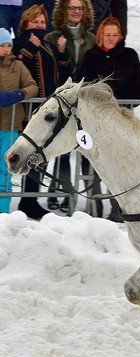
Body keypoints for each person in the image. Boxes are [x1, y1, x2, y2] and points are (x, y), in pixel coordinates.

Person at [81, 16, 140, 221]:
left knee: (117, 165)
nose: (111, 38)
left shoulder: (129, 55)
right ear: (100, 35)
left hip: (120, 121)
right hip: (94, 120)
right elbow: (81, 85)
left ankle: (117, 207)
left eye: (114, 35)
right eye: (107, 34)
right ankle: (94, 205)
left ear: (120, 36)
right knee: (91, 162)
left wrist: (120, 100)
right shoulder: (91, 56)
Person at [12, 4, 71, 219]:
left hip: (45, 111)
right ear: (26, 24)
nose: (39, 26)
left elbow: (63, 74)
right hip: (25, 110)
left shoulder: (48, 46)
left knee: (38, 156)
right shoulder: (18, 43)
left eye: (42, 22)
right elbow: (15, 65)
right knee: (24, 154)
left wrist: (63, 53)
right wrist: (29, 47)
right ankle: (23, 199)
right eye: (35, 22)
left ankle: (31, 200)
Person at [44, 0, 96, 214]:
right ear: (63, 11)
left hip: (82, 101)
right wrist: (61, 51)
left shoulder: (91, 39)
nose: (76, 12)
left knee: (81, 145)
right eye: (72, 8)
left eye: (80, 8)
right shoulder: (52, 37)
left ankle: (73, 192)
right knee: (61, 149)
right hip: (60, 100)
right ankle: (62, 191)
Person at [0, 27, 37, 215]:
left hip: (10, 126)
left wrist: (19, 94)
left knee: (5, 172)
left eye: (8, 45)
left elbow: (33, 87)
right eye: (1, 45)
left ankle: (3, 212)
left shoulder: (18, 67)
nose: (6, 49)